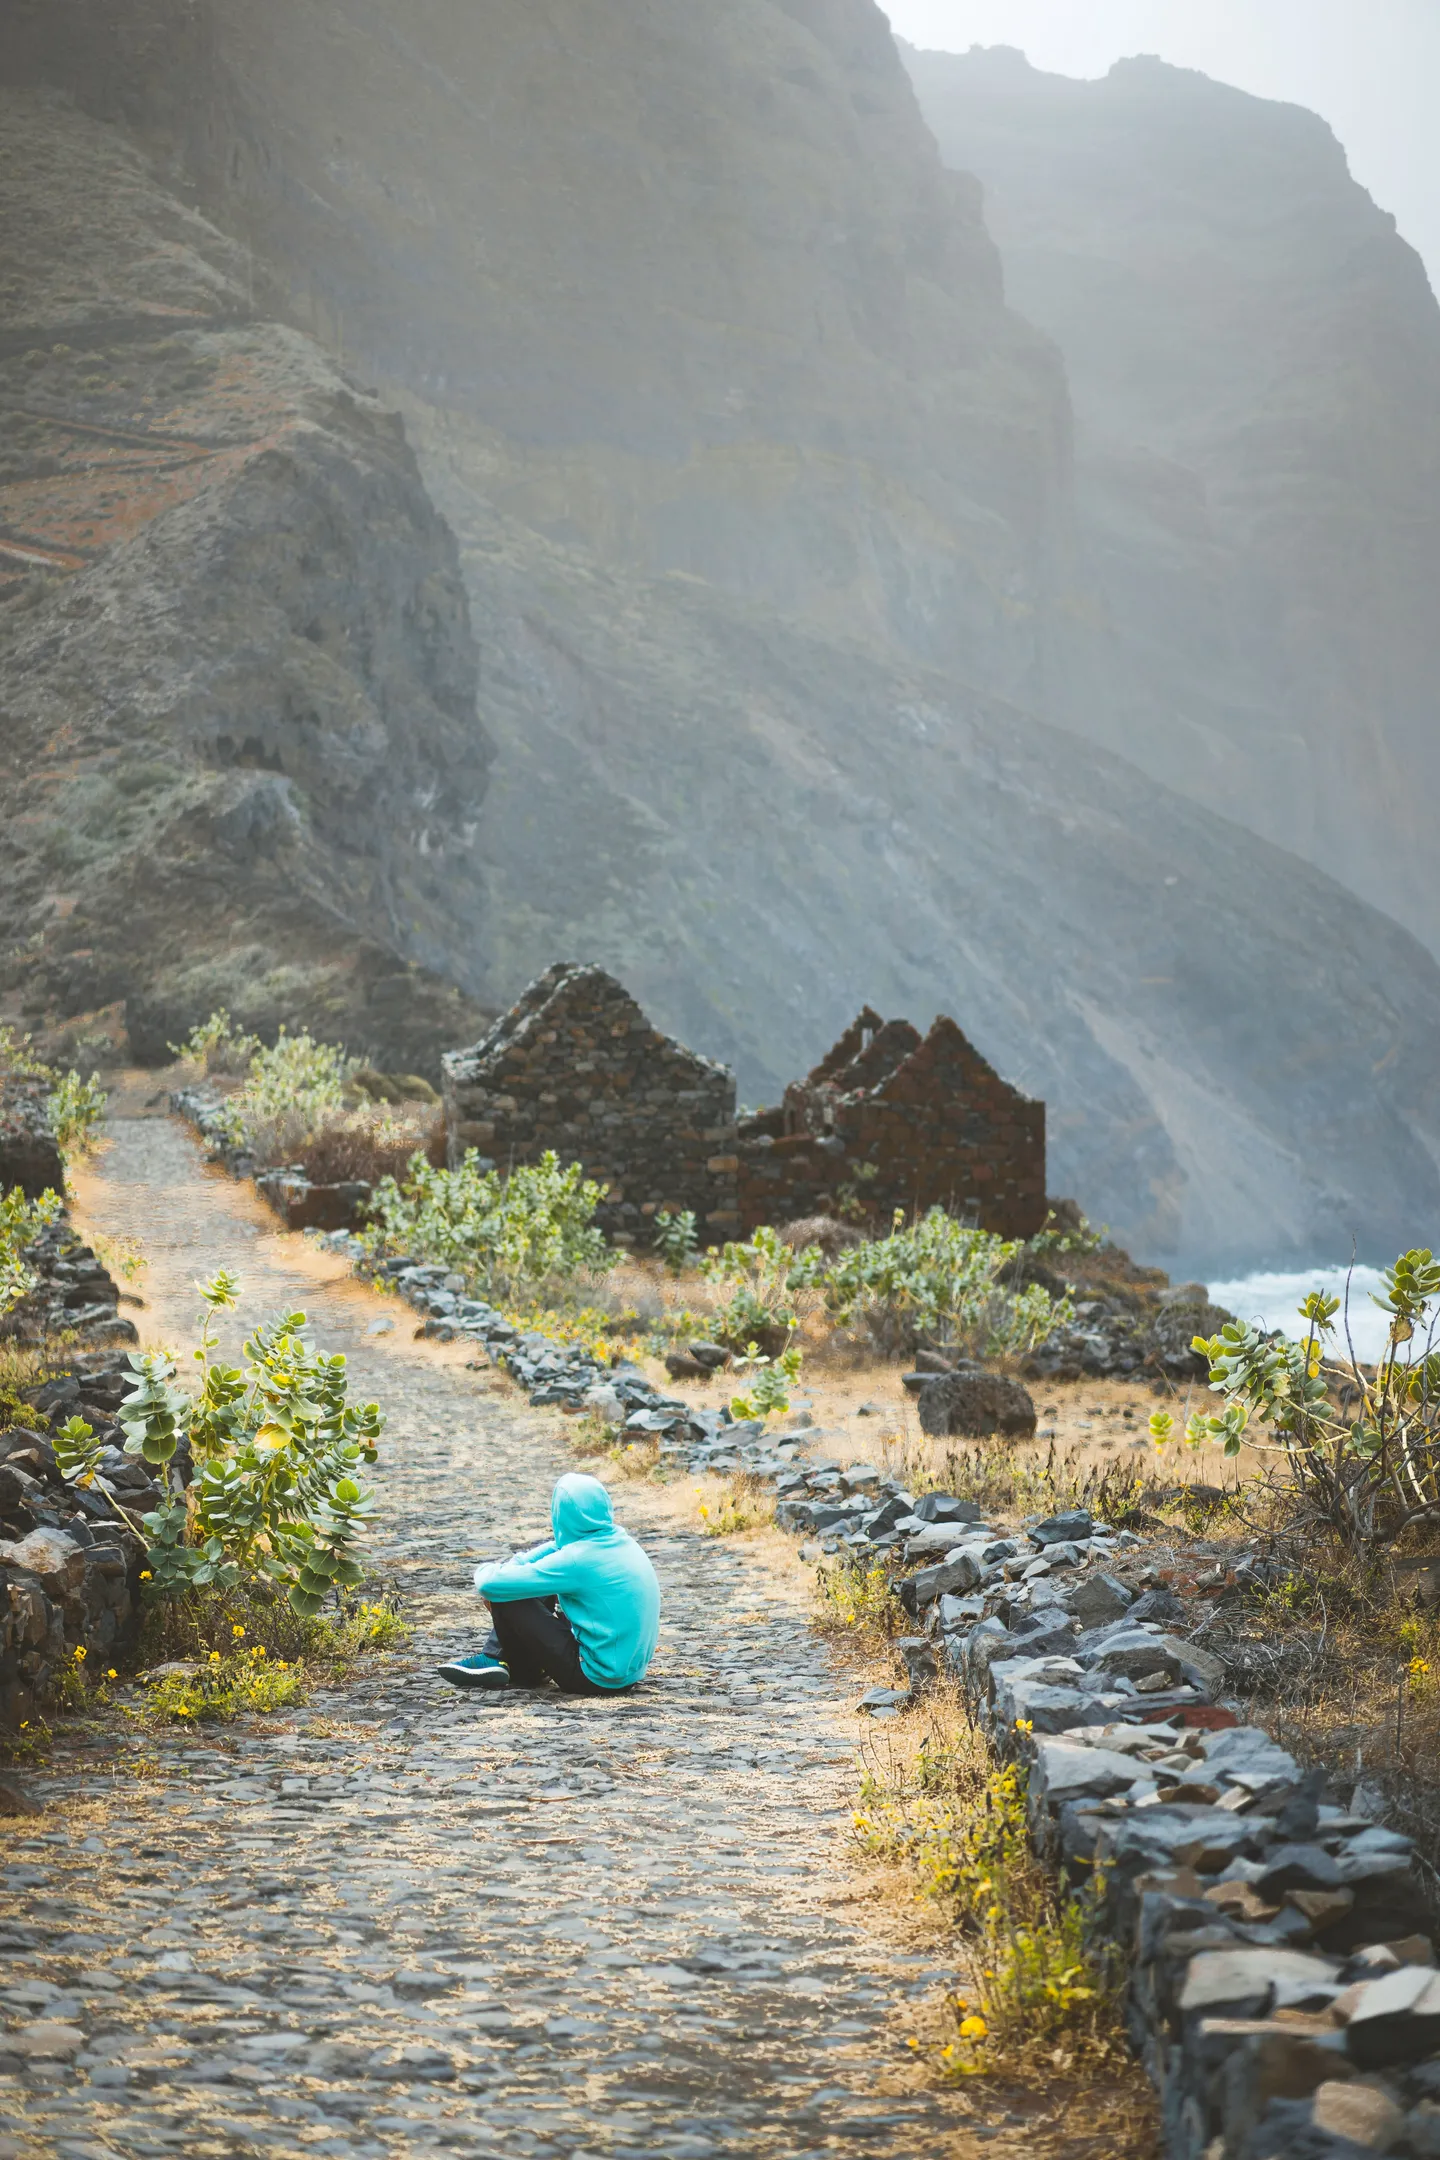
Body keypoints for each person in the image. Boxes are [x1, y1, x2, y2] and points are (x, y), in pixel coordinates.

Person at [437, 1471, 660, 1695]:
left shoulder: (577, 1560)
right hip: (628, 1673)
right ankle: (495, 1658)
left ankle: (515, 1666)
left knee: (508, 1596)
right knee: (534, 1584)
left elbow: (489, 1584)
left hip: (595, 1678)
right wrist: (555, 1547)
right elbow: (558, 1554)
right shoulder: (622, 1542)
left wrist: (488, 1568)